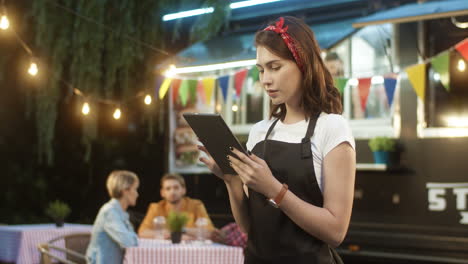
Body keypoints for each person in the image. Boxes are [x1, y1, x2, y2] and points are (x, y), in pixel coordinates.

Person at [199, 16, 355, 264]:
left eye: (275, 67)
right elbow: (252, 229)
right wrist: (232, 181)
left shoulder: (332, 128)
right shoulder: (260, 132)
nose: (265, 80)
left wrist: (273, 189)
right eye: (261, 70)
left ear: (303, 64)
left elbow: (336, 231)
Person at [138, 173, 214, 240]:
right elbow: (142, 232)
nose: (172, 192)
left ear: (184, 190)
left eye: (176, 187)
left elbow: (210, 232)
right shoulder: (155, 207)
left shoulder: (196, 205)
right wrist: (173, 235)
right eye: (168, 188)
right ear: (162, 192)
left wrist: (182, 230)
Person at [86, 170, 139, 264]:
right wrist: (134, 238)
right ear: (125, 191)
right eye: (135, 189)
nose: (137, 194)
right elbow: (129, 242)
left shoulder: (119, 212)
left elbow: (133, 241)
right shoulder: (109, 212)